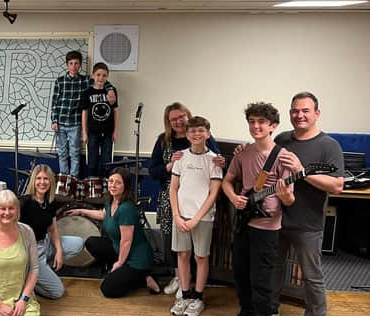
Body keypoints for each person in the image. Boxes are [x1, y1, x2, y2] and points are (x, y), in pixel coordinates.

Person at [220, 102, 295, 316]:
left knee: (261, 281)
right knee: (240, 273)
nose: (256, 126)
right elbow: (228, 182)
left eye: (262, 122)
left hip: (267, 228)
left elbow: (290, 201)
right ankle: (245, 315)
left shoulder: (282, 156)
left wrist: (285, 196)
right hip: (244, 223)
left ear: (273, 126)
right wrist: (234, 198)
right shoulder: (243, 153)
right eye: (252, 121)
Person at [271, 92, 344, 316]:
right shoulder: (281, 140)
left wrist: (302, 172)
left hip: (308, 222)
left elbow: (337, 185)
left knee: (312, 276)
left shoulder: (328, 146)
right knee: (274, 266)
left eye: (305, 110)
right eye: (294, 111)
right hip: (277, 218)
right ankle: (270, 308)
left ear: (316, 113)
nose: (299, 115)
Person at [148, 102, 223, 296]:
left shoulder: (203, 139)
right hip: (172, 198)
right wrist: (170, 166)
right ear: (168, 122)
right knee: (173, 241)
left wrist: (223, 161)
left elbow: (217, 161)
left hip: (199, 202)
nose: (178, 121)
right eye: (173, 119)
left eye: (181, 117)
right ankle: (179, 278)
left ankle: (191, 284)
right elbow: (153, 170)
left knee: (197, 248)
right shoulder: (163, 140)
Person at [67, 167, 160, 298]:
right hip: (120, 250)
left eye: (118, 182)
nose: (113, 185)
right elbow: (102, 215)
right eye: (111, 181)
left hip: (137, 259)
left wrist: (119, 263)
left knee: (108, 289)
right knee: (92, 243)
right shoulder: (111, 201)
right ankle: (123, 272)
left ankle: (144, 279)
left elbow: (126, 241)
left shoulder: (126, 208)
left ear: (125, 185)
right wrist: (81, 211)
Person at [168, 116, 222, 316]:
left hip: (203, 218)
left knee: (201, 257)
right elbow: (173, 189)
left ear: (207, 133)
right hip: (180, 216)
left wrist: (196, 218)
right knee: (182, 255)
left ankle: (198, 297)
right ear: (187, 134)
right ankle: (186, 295)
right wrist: (177, 215)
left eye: (200, 130)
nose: (196, 134)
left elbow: (214, 193)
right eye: (192, 131)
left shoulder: (214, 160)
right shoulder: (180, 157)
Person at [19, 164, 84, 299]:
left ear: (51, 181)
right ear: (33, 181)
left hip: (45, 243)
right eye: (38, 178)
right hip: (30, 251)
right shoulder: (24, 203)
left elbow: (53, 228)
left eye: (46, 179)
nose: (42, 182)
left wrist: (59, 251)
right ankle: (29, 278)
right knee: (57, 292)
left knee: (78, 243)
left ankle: (42, 270)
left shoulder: (51, 201)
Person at [51, 50, 116, 178]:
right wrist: (54, 120)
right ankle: (64, 179)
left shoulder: (85, 80)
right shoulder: (60, 81)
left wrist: (110, 90)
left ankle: (73, 179)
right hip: (61, 122)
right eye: (71, 63)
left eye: (76, 64)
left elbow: (101, 82)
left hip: (75, 123)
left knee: (75, 153)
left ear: (80, 65)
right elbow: (54, 102)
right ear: (67, 65)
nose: (73, 66)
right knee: (62, 153)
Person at [80, 62, 118, 178]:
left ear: (107, 76)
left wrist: (116, 131)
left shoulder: (112, 92)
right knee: (92, 162)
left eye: (104, 75)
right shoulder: (87, 92)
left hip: (108, 131)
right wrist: (84, 132)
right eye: (98, 75)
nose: (101, 78)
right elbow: (84, 113)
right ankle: (92, 187)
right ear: (93, 75)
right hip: (92, 131)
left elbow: (116, 111)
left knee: (106, 162)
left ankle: (106, 188)